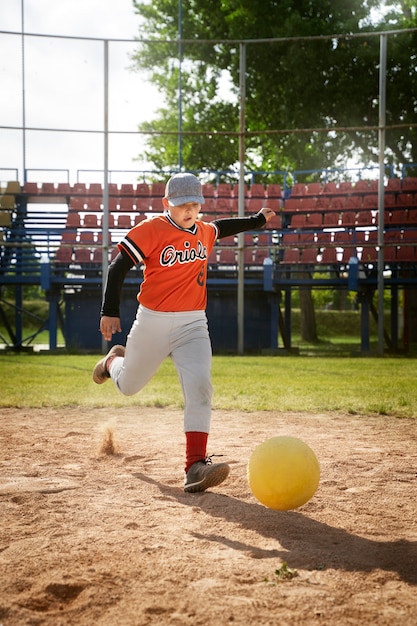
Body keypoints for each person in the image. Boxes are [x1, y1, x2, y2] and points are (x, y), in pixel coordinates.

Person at [93, 172, 275, 493]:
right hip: (153, 321)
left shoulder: (204, 231)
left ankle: (194, 466)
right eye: (181, 205)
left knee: (200, 385)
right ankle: (112, 363)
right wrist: (109, 311)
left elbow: (225, 226)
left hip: (193, 323)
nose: (189, 211)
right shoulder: (152, 230)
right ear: (167, 204)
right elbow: (117, 266)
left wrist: (258, 220)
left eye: (194, 204)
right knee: (129, 386)